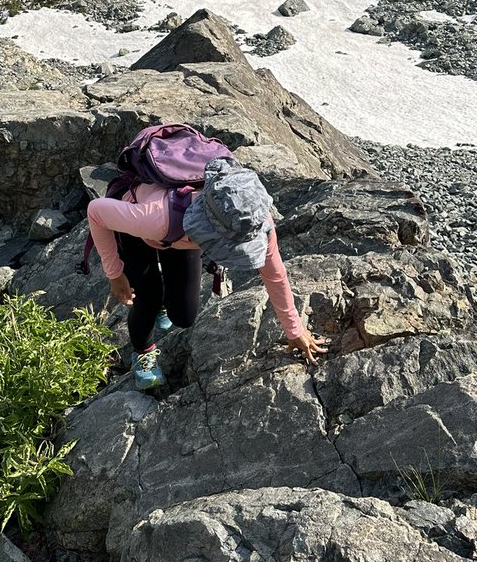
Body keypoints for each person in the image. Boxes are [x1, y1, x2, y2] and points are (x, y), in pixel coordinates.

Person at [87, 157, 327, 390]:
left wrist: (294, 330)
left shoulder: (252, 218)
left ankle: (163, 292)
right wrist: (115, 274)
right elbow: (96, 211)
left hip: (178, 235)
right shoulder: (156, 218)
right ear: (211, 236)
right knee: (147, 298)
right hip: (141, 226)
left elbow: (274, 274)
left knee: (183, 317)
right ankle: (143, 352)